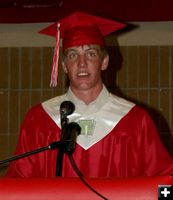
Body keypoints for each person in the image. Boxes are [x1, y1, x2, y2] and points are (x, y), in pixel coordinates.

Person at [6, 12, 173, 178]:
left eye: (90, 54)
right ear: (64, 66)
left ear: (104, 61)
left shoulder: (136, 121)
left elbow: (163, 180)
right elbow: (19, 182)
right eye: (73, 55)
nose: (82, 63)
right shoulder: (39, 120)